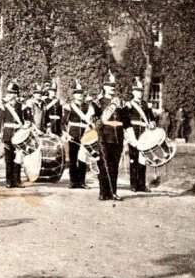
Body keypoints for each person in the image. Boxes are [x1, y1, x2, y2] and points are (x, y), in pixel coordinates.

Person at [91, 70, 131, 201]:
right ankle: (103, 192)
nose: (112, 88)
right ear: (104, 87)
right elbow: (95, 121)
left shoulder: (121, 103)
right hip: (103, 137)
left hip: (118, 137)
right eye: (109, 85)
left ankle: (113, 192)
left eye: (114, 86)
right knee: (103, 165)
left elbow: (127, 122)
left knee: (114, 166)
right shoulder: (97, 103)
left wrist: (130, 138)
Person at [125, 77, 155, 192]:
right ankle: (133, 185)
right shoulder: (129, 105)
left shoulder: (146, 105)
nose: (139, 93)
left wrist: (152, 124)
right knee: (133, 159)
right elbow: (126, 121)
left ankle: (142, 185)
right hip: (133, 135)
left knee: (143, 160)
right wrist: (127, 136)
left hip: (144, 135)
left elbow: (152, 119)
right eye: (137, 91)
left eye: (141, 91)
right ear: (133, 92)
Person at [63, 79, 93, 189]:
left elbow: (91, 121)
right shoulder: (69, 107)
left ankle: (81, 182)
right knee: (73, 159)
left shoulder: (88, 107)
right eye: (77, 93)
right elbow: (63, 123)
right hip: (73, 135)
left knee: (83, 158)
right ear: (74, 95)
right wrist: (67, 134)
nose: (79, 95)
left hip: (85, 134)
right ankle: (73, 182)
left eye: (81, 92)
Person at [0, 80, 24, 188]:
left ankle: (17, 180)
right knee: (8, 159)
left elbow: (24, 120)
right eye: (9, 92)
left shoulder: (20, 106)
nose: (10, 95)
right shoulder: (4, 106)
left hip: (18, 135)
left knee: (18, 159)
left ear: (16, 94)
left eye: (13, 93)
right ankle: (9, 181)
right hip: (8, 135)